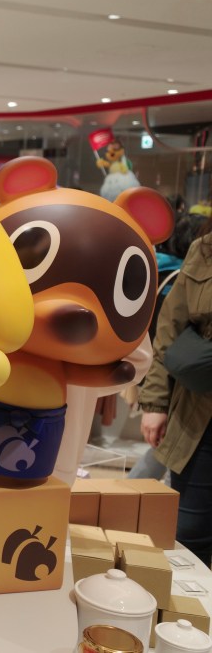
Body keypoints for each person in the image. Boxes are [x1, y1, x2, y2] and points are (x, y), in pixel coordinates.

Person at [139, 217, 212, 565]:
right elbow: (169, 329)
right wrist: (155, 403)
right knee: (189, 536)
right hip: (200, 416)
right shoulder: (205, 249)